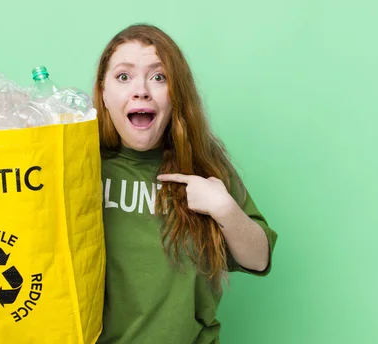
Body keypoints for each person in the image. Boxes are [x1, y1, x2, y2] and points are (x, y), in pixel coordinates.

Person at [92, 23, 278, 343]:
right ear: (104, 94)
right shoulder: (80, 167)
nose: (141, 90)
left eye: (158, 76)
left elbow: (259, 259)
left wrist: (225, 209)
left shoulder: (203, 167)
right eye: (124, 76)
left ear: (176, 94)